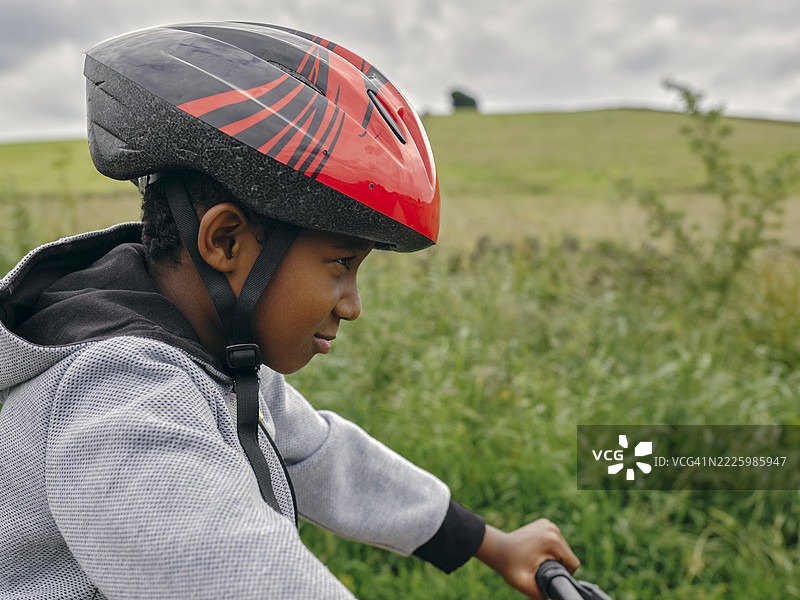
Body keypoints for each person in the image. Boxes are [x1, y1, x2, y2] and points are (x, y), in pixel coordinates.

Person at [0, 22, 579, 599]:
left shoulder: (207, 355)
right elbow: (238, 575)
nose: (352, 305)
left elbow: (321, 455)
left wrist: (489, 543)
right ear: (225, 242)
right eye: (340, 263)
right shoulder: (121, 407)